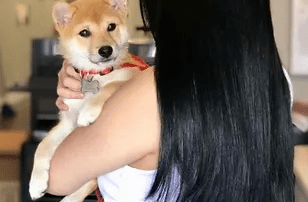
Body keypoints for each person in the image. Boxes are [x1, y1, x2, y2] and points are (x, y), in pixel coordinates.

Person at [47, 0, 294, 201]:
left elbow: (55, 176)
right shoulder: (276, 79)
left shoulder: (149, 92)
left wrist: (86, 84)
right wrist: (87, 79)